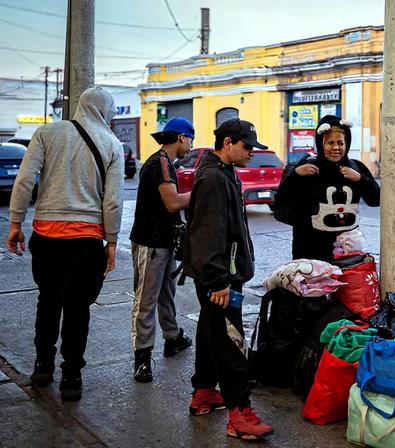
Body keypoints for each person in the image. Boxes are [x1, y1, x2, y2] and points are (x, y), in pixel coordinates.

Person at [5, 86, 123, 401]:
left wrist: (16, 223)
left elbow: (25, 179)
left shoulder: (47, 133)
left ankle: (42, 366)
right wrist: (111, 241)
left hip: (45, 237)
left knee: (48, 301)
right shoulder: (112, 143)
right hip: (86, 241)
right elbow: (112, 202)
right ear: (106, 111)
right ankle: (71, 376)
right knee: (77, 309)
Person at [182, 118, 273, 440]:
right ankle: (239, 413)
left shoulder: (224, 173)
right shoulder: (212, 179)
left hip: (219, 273)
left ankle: (204, 393)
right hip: (219, 276)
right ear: (228, 143)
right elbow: (208, 234)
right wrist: (218, 280)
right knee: (231, 340)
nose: (252, 153)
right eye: (248, 147)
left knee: (210, 332)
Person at [128, 117, 195, 383]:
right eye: (190, 139)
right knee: (146, 299)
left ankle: (172, 337)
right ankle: (142, 358)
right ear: (181, 137)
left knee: (165, 293)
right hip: (151, 243)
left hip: (161, 242)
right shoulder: (161, 164)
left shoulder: (163, 162)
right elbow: (171, 203)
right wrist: (201, 190)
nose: (191, 145)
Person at [275, 114, 380, 261]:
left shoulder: (357, 168)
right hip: (310, 254)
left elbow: (375, 200)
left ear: (347, 144)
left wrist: (361, 179)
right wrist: (295, 175)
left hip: (347, 253)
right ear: (321, 144)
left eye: (340, 143)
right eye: (330, 143)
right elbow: (280, 202)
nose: (336, 148)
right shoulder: (306, 167)